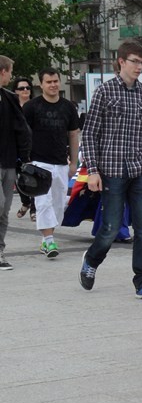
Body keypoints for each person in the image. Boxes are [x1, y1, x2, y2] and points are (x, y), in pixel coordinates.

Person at [78, 41, 142, 301]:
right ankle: (91, 260)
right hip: (112, 170)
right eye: (135, 61)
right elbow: (90, 133)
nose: (139, 66)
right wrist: (92, 170)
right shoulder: (105, 92)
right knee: (112, 228)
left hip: (140, 169)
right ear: (121, 62)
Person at [22, 68, 79, 258]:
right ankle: (49, 242)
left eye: (55, 81)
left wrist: (74, 162)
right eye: (49, 82)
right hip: (38, 162)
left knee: (59, 204)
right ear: (41, 84)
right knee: (43, 202)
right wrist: (25, 160)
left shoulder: (68, 107)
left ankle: (46, 239)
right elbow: (23, 134)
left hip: (61, 162)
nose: (53, 85)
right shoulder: (31, 107)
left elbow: (73, 135)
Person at [0, 55, 32, 270]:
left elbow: (22, 129)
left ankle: (0, 252)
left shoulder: (10, 98)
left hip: (9, 161)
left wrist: (25, 159)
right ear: (3, 71)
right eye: (10, 71)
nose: (11, 75)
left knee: (4, 211)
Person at [13, 76, 36, 222]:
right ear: (16, 91)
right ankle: (26, 202)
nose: (25, 90)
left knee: (34, 178)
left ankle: (34, 208)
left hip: (34, 147)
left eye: (28, 88)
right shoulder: (12, 107)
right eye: (22, 88)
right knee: (18, 178)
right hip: (15, 148)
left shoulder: (35, 106)